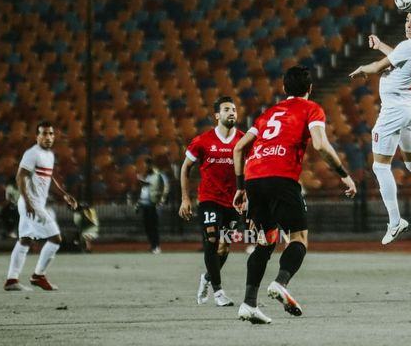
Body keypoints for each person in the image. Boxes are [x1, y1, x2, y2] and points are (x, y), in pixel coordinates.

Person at [232, 65, 357, 324]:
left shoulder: (267, 114)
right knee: (299, 238)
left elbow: (239, 147)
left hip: (254, 178)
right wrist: (343, 173)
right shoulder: (311, 109)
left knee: (265, 243)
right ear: (310, 89)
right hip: (281, 178)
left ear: (284, 88)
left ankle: (248, 304)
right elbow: (321, 145)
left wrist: (240, 187)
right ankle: (280, 283)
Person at [349, 7, 411, 245]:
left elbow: (376, 67)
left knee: (380, 166)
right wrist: (381, 44)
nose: (408, 25)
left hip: (394, 111)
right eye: (407, 20)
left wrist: (362, 70)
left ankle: (395, 222)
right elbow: (398, 55)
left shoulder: (409, 46)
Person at [179, 96, 244, 307]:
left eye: (234, 109)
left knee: (224, 248)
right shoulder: (202, 141)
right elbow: (185, 168)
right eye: (226, 109)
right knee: (211, 241)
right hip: (209, 199)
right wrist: (185, 198)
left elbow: (251, 169)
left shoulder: (243, 140)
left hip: (233, 202)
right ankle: (218, 292)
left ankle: (207, 278)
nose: (232, 112)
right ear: (217, 115)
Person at [4, 121, 77, 291]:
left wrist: (64, 194)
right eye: (44, 134)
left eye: (51, 134)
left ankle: (11, 280)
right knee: (56, 238)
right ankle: (38, 276)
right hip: (31, 204)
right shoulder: (32, 153)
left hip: (32, 204)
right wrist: (29, 202)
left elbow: (49, 179)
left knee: (25, 240)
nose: (48, 137)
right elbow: (20, 177)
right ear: (37, 136)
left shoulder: (49, 155)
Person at [136, 157, 170, 254]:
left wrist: (161, 200)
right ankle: (152, 245)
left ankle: (157, 246)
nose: (146, 167)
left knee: (153, 226)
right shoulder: (147, 176)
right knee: (147, 226)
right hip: (145, 203)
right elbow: (145, 190)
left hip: (154, 203)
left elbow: (165, 187)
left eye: (148, 165)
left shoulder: (159, 175)